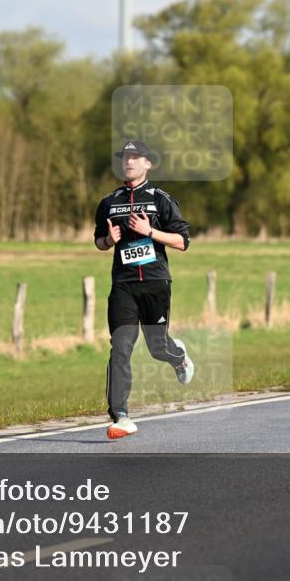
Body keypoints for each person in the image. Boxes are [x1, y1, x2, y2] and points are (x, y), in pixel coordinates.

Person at [94, 140, 194, 440]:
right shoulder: (109, 202)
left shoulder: (160, 199)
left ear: (147, 163)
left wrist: (150, 231)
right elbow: (99, 241)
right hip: (123, 285)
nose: (129, 161)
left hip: (155, 283)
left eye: (135, 157)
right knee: (120, 347)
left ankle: (178, 357)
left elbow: (183, 242)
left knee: (157, 347)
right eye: (125, 157)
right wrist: (109, 240)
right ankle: (121, 416)